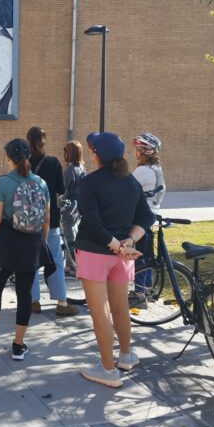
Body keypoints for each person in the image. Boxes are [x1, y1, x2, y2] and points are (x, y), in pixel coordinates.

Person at [76, 132, 154, 387]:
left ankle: (108, 370)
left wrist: (117, 246)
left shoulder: (89, 183)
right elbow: (146, 217)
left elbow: (92, 222)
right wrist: (128, 242)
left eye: (91, 148)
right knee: (120, 308)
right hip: (122, 254)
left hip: (95, 253)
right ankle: (125, 356)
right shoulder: (130, 181)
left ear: (95, 154)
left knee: (100, 313)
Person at [0, 139, 50, 359]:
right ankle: (18, 345)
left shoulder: (3, 183)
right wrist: (39, 242)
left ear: (8, 158)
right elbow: (46, 220)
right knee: (24, 294)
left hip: (5, 243)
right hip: (31, 244)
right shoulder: (41, 183)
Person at [26, 127, 79, 316]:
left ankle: (33, 301)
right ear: (44, 141)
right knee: (55, 259)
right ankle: (61, 302)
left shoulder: (24, 163)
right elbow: (61, 189)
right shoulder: (53, 163)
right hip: (51, 218)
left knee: (30, 261)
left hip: (28, 220)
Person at [131, 133, 166, 306]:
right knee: (146, 253)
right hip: (151, 214)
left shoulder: (142, 171)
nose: (135, 153)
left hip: (140, 216)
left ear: (144, 152)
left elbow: (127, 189)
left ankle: (139, 295)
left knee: (139, 254)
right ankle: (145, 288)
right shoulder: (156, 168)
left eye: (138, 150)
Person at [60, 140, 85, 265]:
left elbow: (63, 190)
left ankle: (71, 265)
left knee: (69, 236)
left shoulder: (70, 170)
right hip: (77, 205)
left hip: (68, 206)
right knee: (74, 233)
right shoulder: (81, 168)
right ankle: (74, 263)